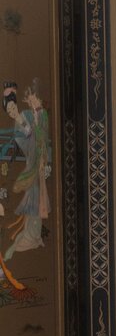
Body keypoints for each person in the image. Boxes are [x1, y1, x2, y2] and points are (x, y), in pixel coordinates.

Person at [3, 79, 51, 261]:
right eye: (9, 111)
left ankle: (33, 236)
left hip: (40, 159)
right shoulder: (21, 119)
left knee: (37, 196)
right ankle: (31, 236)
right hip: (33, 160)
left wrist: (43, 157)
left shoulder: (35, 114)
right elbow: (26, 139)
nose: (12, 111)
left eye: (12, 107)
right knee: (33, 195)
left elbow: (41, 136)